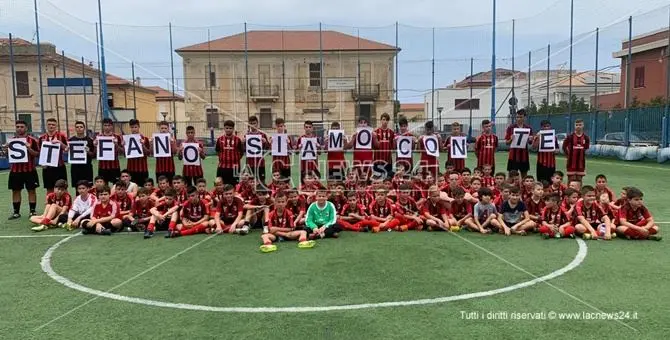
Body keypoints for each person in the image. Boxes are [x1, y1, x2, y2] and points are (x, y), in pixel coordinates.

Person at [5, 120, 40, 219]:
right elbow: (8, 157)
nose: (19, 128)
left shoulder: (32, 140)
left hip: (30, 170)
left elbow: (37, 154)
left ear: (26, 128)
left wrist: (29, 148)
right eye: (17, 127)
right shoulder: (11, 140)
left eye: (21, 127)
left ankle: (32, 211)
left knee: (31, 190)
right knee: (15, 191)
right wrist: (6, 150)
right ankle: (16, 212)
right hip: (15, 170)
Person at [39, 118, 69, 193]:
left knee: (62, 188)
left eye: (53, 125)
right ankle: (50, 204)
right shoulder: (41, 138)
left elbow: (67, 148)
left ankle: (65, 203)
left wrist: (60, 143)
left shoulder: (61, 136)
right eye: (49, 124)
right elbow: (40, 152)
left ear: (56, 126)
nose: (51, 126)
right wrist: (42, 163)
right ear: (46, 125)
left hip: (59, 166)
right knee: (49, 188)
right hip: (47, 167)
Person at [346, 117, 378, 182]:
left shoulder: (372, 134)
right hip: (357, 162)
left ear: (367, 124)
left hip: (368, 163)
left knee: (368, 181)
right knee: (357, 181)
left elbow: (377, 146)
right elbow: (349, 146)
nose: (363, 125)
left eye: (364, 123)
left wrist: (375, 138)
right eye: (361, 123)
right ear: (358, 124)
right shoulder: (355, 134)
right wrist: (353, 138)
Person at [215, 120, 244, 186]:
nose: (228, 130)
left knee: (234, 185)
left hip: (235, 167)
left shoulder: (238, 140)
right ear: (224, 128)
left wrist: (235, 159)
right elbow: (217, 151)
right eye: (227, 128)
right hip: (222, 167)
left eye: (230, 128)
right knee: (222, 184)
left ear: (233, 129)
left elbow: (241, 152)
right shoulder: (219, 139)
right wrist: (222, 158)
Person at [95, 117, 123, 184]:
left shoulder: (117, 137)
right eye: (105, 125)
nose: (107, 127)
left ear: (112, 126)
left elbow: (122, 151)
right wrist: (95, 146)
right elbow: (95, 153)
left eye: (109, 125)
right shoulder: (98, 137)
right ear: (102, 126)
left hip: (115, 165)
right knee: (103, 186)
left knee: (116, 186)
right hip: (102, 166)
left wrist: (116, 144)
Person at [505, 109, 532, 178]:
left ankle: (523, 188)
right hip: (513, 155)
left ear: (524, 118)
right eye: (517, 117)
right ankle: (510, 188)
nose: (518, 119)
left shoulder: (528, 128)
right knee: (511, 175)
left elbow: (530, 142)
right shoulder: (511, 127)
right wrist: (511, 139)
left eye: (521, 117)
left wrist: (531, 139)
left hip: (524, 155)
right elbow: (507, 143)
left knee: (524, 175)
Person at [68, 121, 95, 189]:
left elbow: (93, 155)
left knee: (89, 188)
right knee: (77, 189)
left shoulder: (90, 140)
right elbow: (68, 154)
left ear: (84, 128)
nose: (79, 128)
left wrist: (88, 151)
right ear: (75, 128)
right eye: (77, 127)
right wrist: (67, 150)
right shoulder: (71, 140)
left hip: (87, 167)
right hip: (75, 168)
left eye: (81, 127)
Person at [562, 119, 590, 183]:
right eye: (576, 125)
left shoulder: (586, 138)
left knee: (579, 180)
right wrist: (568, 155)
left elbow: (586, 148)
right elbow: (564, 147)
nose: (578, 126)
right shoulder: (570, 137)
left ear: (583, 126)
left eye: (580, 125)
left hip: (581, 163)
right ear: (574, 126)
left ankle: (579, 193)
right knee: (571, 180)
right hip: (571, 163)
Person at [125, 119, 151, 184]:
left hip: (142, 169)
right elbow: (125, 155)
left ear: (139, 127)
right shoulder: (127, 139)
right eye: (132, 127)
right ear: (130, 128)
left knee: (143, 190)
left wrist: (143, 145)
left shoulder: (145, 138)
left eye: (135, 127)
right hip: (131, 169)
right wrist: (123, 146)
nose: (134, 129)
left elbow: (148, 153)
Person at [245, 116, 271, 183]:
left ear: (257, 123)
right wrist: (242, 142)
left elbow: (267, 148)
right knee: (251, 181)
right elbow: (243, 149)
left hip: (260, 162)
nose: (253, 125)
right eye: (251, 123)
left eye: (254, 123)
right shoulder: (246, 135)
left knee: (262, 181)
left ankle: (262, 192)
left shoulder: (262, 134)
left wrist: (265, 142)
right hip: (250, 162)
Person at [533, 120, 558, 185]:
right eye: (544, 126)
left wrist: (555, 151)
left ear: (550, 127)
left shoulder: (554, 137)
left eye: (548, 126)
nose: (546, 128)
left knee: (551, 181)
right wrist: (538, 138)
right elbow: (534, 147)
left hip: (551, 163)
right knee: (541, 181)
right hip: (541, 163)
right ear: (541, 127)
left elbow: (557, 150)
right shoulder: (538, 136)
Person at [373, 113, 395, 178]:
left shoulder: (391, 132)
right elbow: (373, 146)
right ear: (381, 120)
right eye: (383, 119)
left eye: (387, 120)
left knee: (387, 178)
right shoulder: (375, 132)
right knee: (378, 178)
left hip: (388, 160)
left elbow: (393, 147)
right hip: (378, 159)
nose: (385, 121)